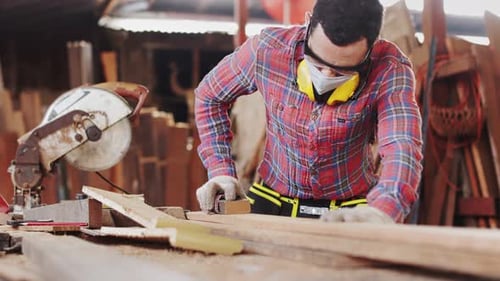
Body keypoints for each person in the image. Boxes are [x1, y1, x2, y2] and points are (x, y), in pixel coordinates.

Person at [194, 0, 423, 223]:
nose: (326, 77)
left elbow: (402, 144)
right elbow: (209, 96)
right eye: (317, 62)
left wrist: (384, 209)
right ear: (309, 23)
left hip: (350, 213)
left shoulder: (390, 68)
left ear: (371, 48)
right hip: (271, 204)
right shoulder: (268, 50)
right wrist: (220, 170)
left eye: (342, 71)